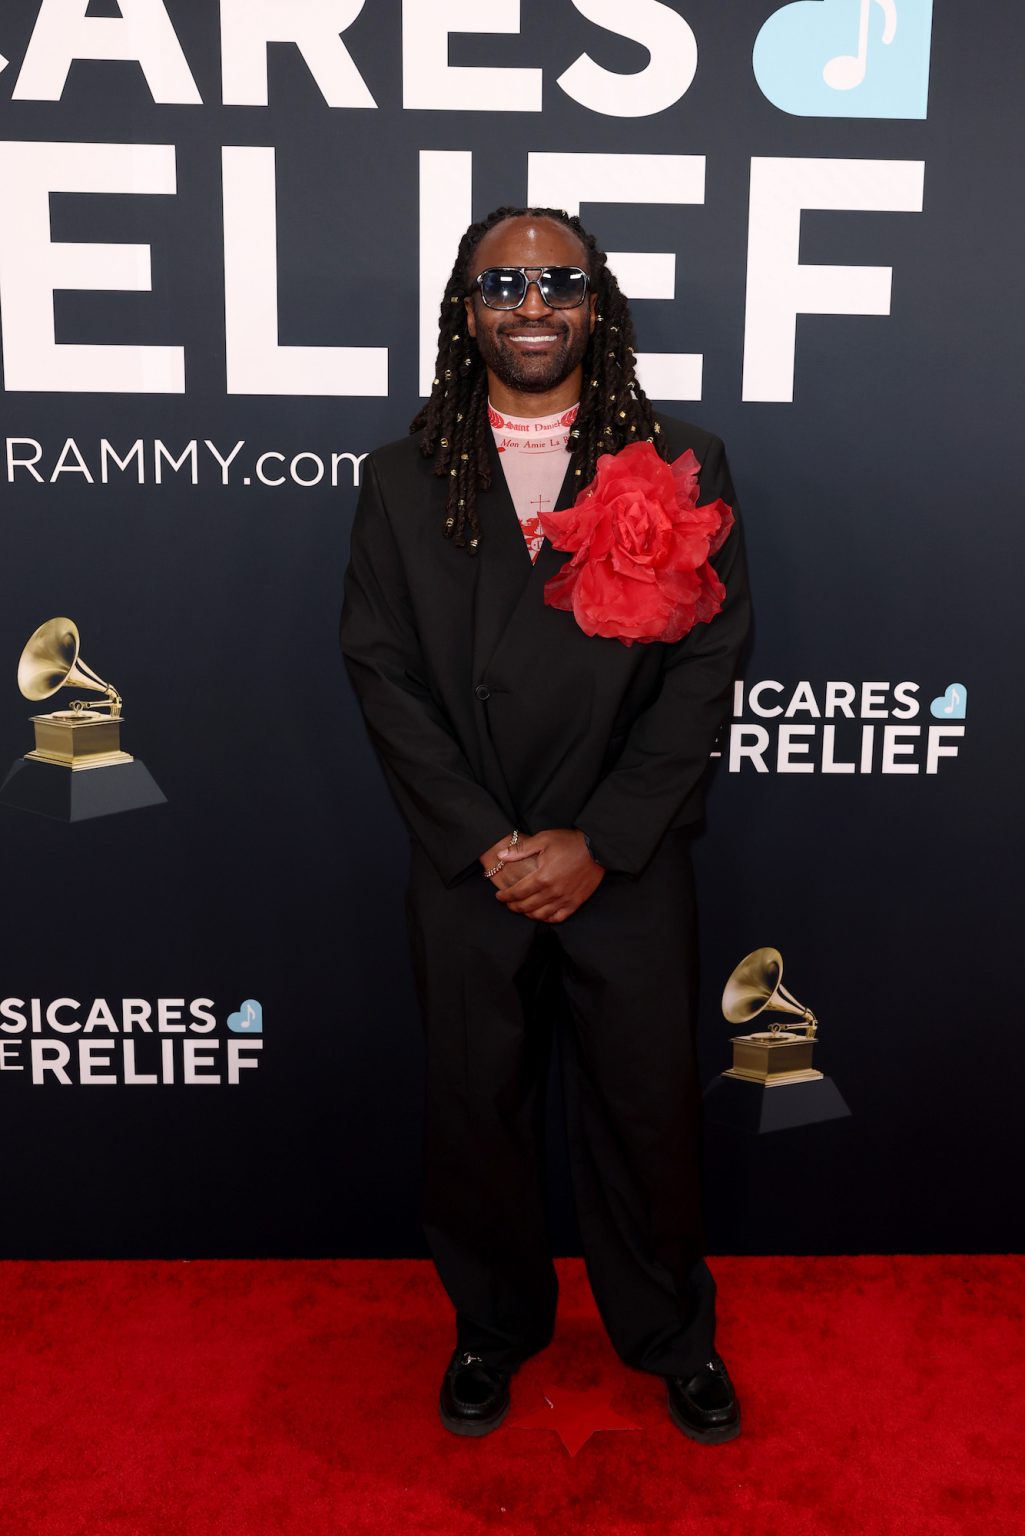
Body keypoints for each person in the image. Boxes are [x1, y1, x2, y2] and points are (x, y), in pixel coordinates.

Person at [339, 205, 751, 1445]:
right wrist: (487, 841)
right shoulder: (403, 477)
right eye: (502, 285)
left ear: (596, 305)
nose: (530, 305)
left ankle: (670, 1334)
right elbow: (379, 670)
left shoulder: (678, 459)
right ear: (466, 314)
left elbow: (706, 666)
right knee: (476, 1110)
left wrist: (601, 840)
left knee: (644, 1109)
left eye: (556, 283)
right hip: (475, 862)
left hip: (619, 859)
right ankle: (491, 1327)